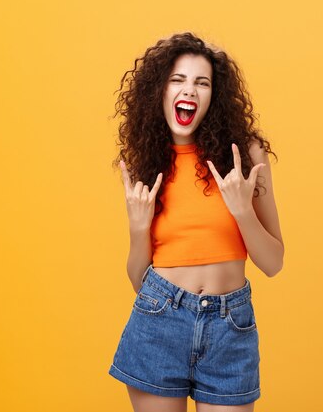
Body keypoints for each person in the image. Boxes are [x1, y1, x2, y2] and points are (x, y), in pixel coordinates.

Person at [107, 32, 284, 412]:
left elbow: (273, 263)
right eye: (178, 79)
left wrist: (242, 211)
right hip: (159, 320)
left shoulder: (244, 156)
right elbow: (139, 281)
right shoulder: (150, 162)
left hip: (230, 328)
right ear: (160, 91)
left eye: (201, 82)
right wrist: (138, 230)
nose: (190, 89)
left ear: (212, 98)